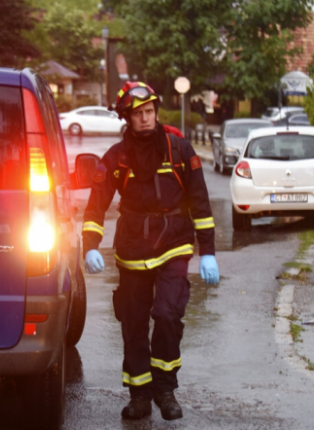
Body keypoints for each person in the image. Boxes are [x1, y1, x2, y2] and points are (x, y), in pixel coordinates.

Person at [82, 81, 219, 421]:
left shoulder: (179, 150)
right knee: (133, 321)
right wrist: (89, 246)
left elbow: (200, 201)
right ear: (127, 118)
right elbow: (96, 204)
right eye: (138, 114)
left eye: (149, 112)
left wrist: (208, 251)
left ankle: (165, 388)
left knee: (168, 313)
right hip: (131, 248)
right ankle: (140, 394)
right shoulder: (116, 158)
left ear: (155, 112)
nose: (145, 119)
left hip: (174, 243)